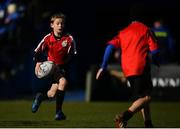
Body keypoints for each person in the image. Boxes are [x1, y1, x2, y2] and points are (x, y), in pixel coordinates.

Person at [96, 5, 160, 128]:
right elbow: (155, 52)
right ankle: (124, 117)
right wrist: (157, 61)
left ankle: (148, 124)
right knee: (147, 97)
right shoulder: (146, 29)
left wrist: (103, 66)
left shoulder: (123, 31)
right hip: (141, 67)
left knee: (142, 96)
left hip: (127, 69)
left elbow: (109, 47)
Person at [32, 12, 77, 120]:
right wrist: (37, 62)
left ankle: (40, 97)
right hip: (51, 68)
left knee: (52, 94)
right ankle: (58, 112)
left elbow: (72, 55)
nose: (60, 26)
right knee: (63, 82)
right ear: (52, 25)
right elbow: (37, 52)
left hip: (62, 67)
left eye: (62, 23)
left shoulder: (69, 39)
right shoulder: (48, 38)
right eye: (57, 23)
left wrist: (63, 65)